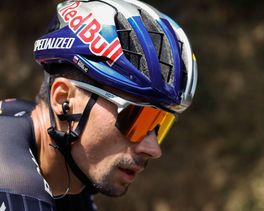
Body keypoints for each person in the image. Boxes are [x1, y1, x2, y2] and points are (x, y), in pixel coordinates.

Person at [0, 0, 197, 210]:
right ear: (64, 100)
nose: (153, 149)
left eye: (159, 124)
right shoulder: (12, 182)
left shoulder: (68, 172)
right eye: (135, 119)